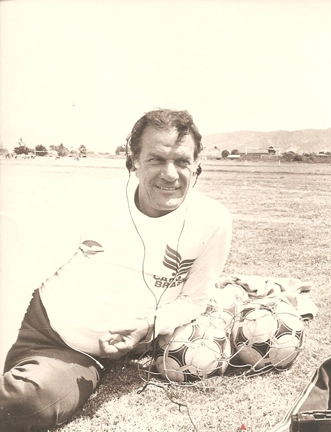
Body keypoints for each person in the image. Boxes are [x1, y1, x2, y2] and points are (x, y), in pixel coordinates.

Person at [0, 109, 233, 431]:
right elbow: (17, 279)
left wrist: (150, 326)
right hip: (37, 323)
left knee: (26, 404)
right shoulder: (92, 201)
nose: (170, 174)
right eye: (156, 160)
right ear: (134, 160)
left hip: (74, 355)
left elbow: (194, 300)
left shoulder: (213, 220)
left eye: (181, 161)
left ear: (197, 165)